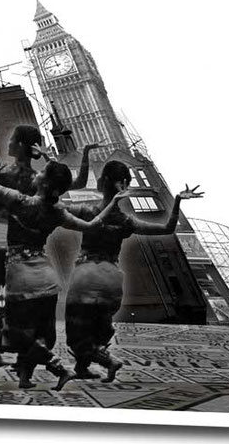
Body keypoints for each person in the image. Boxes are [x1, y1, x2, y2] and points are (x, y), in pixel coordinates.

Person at [0, 132, 123, 389]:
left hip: (21, 277)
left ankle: (56, 365)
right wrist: (113, 202)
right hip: (47, 278)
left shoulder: (19, 200)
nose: (37, 174)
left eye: (42, 173)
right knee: (44, 333)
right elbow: (91, 223)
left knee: (16, 330)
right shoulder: (58, 212)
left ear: (44, 183)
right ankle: (26, 377)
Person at [65, 160, 203, 383]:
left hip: (86, 273)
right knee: (99, 327)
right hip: (112, 277)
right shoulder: (127, 221)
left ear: (104, 182)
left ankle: (108, 361)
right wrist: (177, 201)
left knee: (76, 328)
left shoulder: (88, 212)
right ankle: (83, 368)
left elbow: (54, 210)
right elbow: (167, 228)